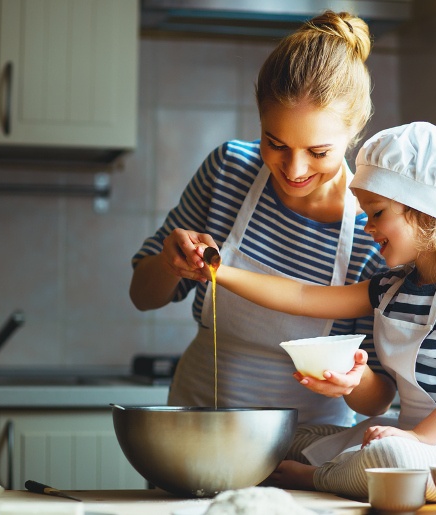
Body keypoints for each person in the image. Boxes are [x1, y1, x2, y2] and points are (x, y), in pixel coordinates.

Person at [206, 122, 436, 501]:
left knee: (391, 455)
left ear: (423, 209)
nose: (368, 227)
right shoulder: (391, 286)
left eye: (377, 213)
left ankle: (314, 478)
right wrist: (218, 271)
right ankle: (338, 466)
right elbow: (304, 296)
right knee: (293, 435)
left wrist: (418, 438)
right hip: (408, 440)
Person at [129, 10, 390, 456]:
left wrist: (352, 380)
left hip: (305, 451)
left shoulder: (374, 226)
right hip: (195, 435)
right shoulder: (228, 171)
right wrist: (171, 263)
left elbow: (378, 395)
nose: (294, 168)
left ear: (354, 132)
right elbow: (143, 294)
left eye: (319, 151)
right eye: (276, 143)